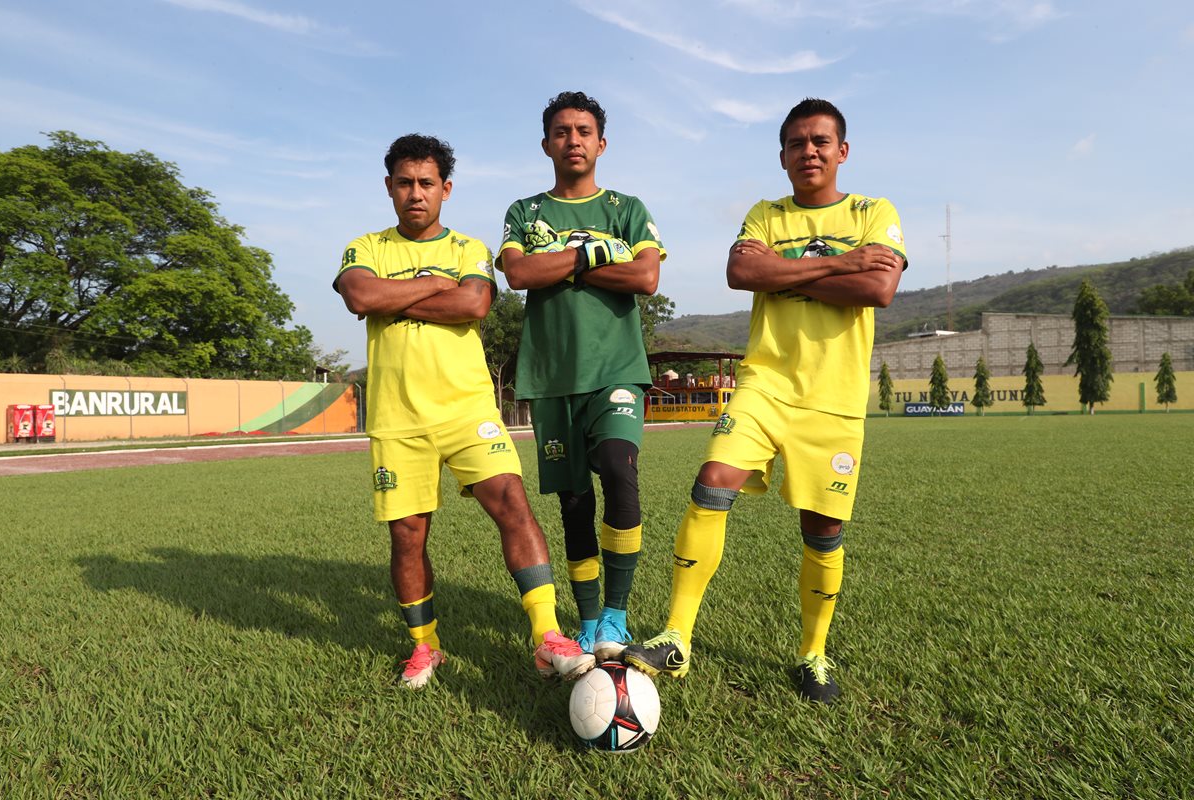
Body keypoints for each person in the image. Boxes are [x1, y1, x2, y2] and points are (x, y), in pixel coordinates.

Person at [623, 98, 907, 703]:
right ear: (782, 156)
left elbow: (878, 287)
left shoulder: (873, 211)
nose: (810, 151)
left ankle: (813, 654)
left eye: (821, 141)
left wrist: (791, 268)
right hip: (764, 382)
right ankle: (677, 638)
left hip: (834, 398)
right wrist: (842, 261)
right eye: (798, 143)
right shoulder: (764, 213)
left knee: (822, 528)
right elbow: (741, 273)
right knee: (711, 485)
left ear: (843, 151)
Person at [333, 133, 594, 689]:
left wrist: (399, 292)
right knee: (407, 535)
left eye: (426, 183)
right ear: (389, 187)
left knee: (513, 507)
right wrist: (433, 287)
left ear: (445, 189)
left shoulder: (468, 248)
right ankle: (424, 648)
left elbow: (474, 302)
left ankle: (547, 636)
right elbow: (360, 296)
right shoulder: (365, 247)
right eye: (404, 183)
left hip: (466, 409)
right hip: (397, 417)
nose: (415, 193)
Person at [497, 91, 665, 661]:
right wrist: (595, 257)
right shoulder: (525, 211)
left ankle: (616, 611)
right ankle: (589, 617)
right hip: (550, 378)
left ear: (601, 143)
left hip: (616, 368)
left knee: (619, 470)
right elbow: (519, 271)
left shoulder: (627, 207)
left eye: (584, 130)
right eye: (563, 131)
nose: (574, 140)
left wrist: (562, 267)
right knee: (573, 503)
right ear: (547, 143)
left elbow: (645, 276)